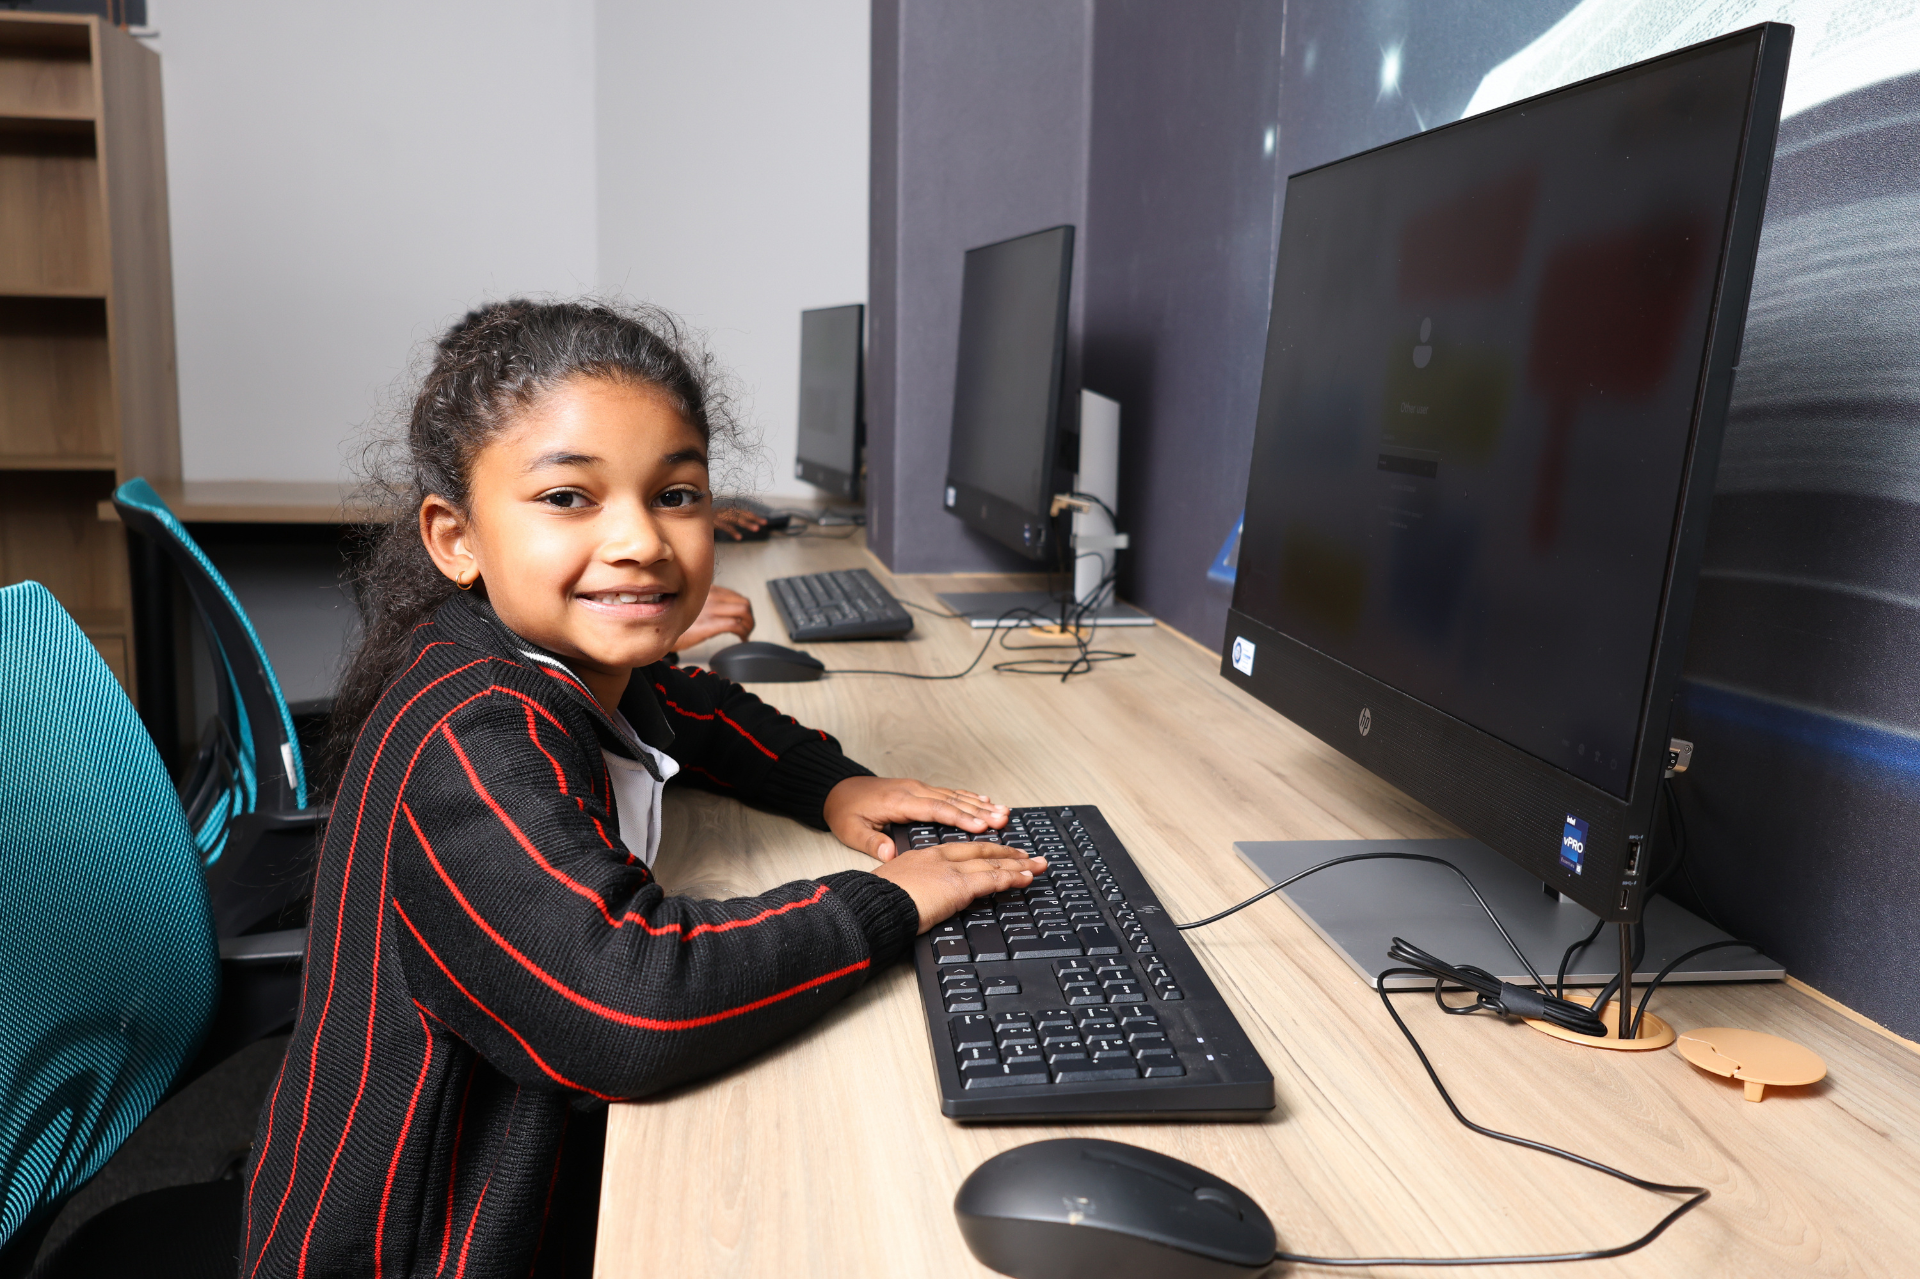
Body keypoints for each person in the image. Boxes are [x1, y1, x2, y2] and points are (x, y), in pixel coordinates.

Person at [242, 299, 1044, 1278]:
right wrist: (889, 901)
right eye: (569, 499)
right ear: (457, 538)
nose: (641, 541)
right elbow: (631, 1008)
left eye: (676, 493)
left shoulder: (541, 666)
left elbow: (695, 711)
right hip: (427, 1243)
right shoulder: (473, 733)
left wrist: (834, 786)